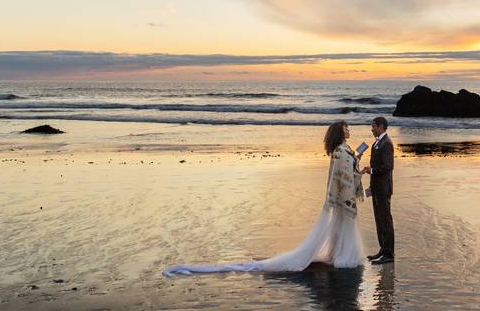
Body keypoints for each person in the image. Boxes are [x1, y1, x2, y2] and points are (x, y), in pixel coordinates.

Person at [162, 120, 365, 277]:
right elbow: (341, 176)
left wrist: (357, 164)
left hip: (342, 199)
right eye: (347, 128)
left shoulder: (345, 149)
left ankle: (338, 254)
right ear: (341, 132)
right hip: (341, 199)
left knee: (341, 228)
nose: (350, 131)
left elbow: (348, 170)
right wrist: (354, 170)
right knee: (340, 227)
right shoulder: (339, 151)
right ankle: (341, 256)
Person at [362, 116, 394, 264]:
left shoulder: (386, 143)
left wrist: (372, 170)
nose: (372, 129)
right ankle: (382, 250)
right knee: (379, 220)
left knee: (385, 220)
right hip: (376, 188)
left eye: (373, 126)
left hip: (383, 188)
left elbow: (388, 166)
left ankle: (389, 254)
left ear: (381, 127)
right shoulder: (377, 143)